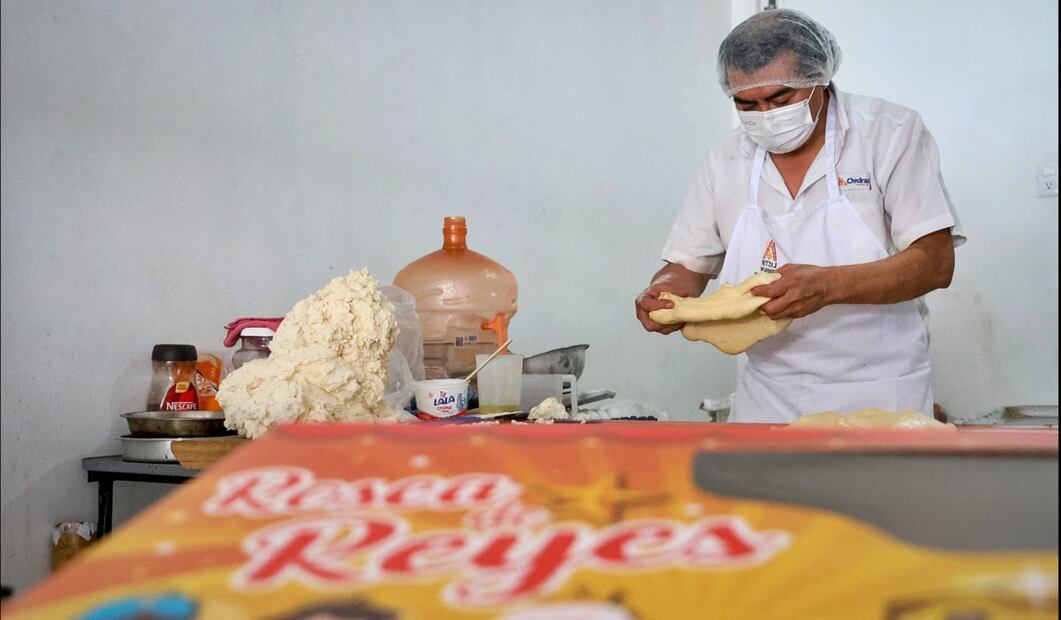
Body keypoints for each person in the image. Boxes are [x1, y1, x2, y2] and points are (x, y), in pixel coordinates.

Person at [635, 9, 964, 423]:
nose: (765, 115)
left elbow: (935, 263)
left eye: (780, 99)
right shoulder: (726, 160)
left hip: (880, 390)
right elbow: (687, 264)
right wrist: (663, 291)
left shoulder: (889, 132)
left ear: (818, 79)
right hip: (769, 394)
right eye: (747, 104)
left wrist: (827, 286)